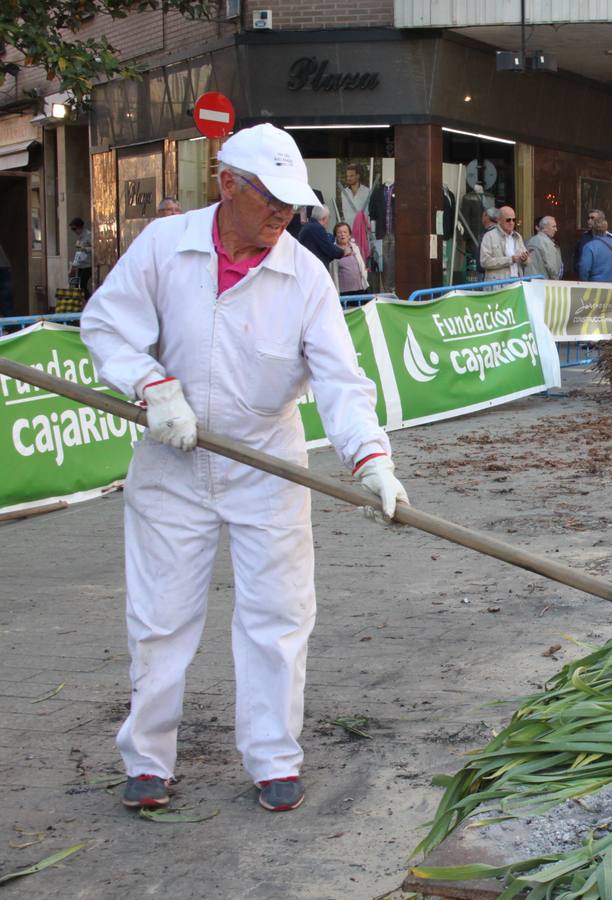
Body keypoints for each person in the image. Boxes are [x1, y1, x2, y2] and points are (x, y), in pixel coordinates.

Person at [80, 122, 408, 815]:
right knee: (161, 616)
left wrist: (370, 457)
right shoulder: (166, 247)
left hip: (267, 461)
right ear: (227, 184)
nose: (286, 215)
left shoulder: (305, 276)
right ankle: (147, 759)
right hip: (174, 459)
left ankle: (273, 758)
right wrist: (150, 384)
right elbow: (107, 323)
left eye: (293, 203)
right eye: (272, 200)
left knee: (278, 614)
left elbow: (341, 380)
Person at [479, 204, 529, 281]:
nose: (511, 222)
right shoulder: (489, 236)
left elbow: (527, 261)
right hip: (498, 284)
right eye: (508, 220)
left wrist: (524, 259)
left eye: (514, 220)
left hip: (517, 282)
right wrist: (510, 260)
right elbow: (485, 262)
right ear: (499, 220)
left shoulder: (517, 237)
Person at [576, 213, 612, 282]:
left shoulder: (589, 247)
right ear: (605, 230)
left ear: (593, 230)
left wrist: (585, 283)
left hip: (597, 286)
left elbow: (583, 269)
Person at [331, 221, 368, 296]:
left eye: (345, 232)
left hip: (361, 289)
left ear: (349, 235)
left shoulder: (355, 247)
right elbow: (333, 273)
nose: (342, 234)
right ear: (335, 236)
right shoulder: (333, 250)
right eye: (339, 232)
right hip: (344, 293)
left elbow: (361, 265)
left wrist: (365, 272)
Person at [525, 215, 563, 280]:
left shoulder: (529, 241)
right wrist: (556, 280)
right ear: (545, 228)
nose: (556, 229)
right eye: (553, 226)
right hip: (543, 284)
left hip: (529, 282)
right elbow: (552, 269)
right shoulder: (546, 243)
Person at [69, 218, 93, 298]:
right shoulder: (79, 237)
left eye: (75, 229)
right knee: (77, 285)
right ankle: (80, 304)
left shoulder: (88, 235)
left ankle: (89, 302)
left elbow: (95, 248)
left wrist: (85, 248)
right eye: (72, 229)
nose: (74, 231)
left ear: (80, 227)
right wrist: (73, 266)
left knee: (82, 285)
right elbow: (78, 252)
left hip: (88, 265)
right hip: (81, 265)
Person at [573, 208, 602, 274]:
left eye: (592, 218)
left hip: (602, 278)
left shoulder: (608, 237)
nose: (589, 220)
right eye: (588, 218)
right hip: (585, 276)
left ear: (600, 220)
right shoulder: (584, 237)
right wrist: (578, 268)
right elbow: (577, 255)